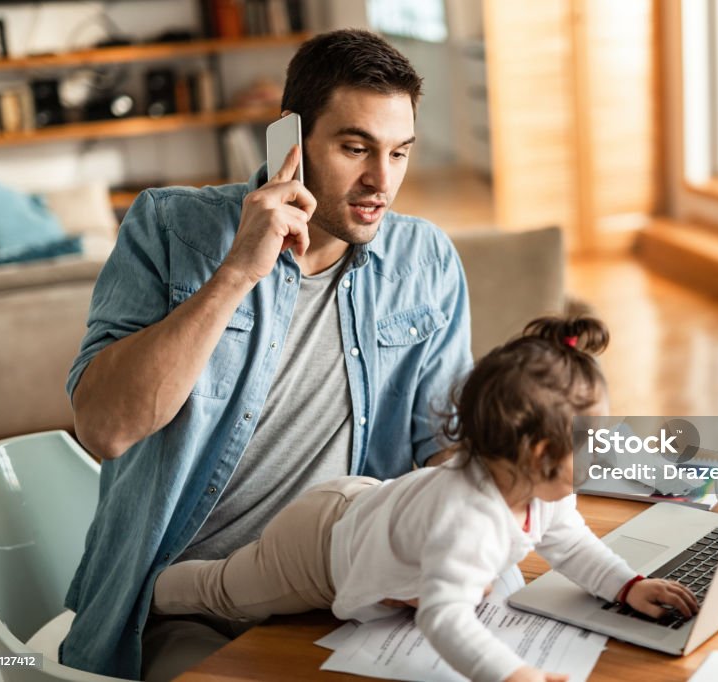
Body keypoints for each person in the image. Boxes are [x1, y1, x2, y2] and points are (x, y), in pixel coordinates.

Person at [60, 29, 472, 679]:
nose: (380, 181)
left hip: (349, 600)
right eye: (355, 147)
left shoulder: (426, 261)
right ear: (291, 141)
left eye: (399, 153)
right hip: (188, 610)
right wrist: (235, 276)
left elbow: (447, 448)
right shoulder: (169, 228)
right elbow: (105, 429)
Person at [149, 317, 699, 682]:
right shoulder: (471, 519)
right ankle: (144, 594)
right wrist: (512, 675)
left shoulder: (539, 492)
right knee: (223, 590)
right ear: (536, 453)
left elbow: (571, 543)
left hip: (368, 507)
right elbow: (445, 618)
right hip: (314, 553)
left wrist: (627, 585)